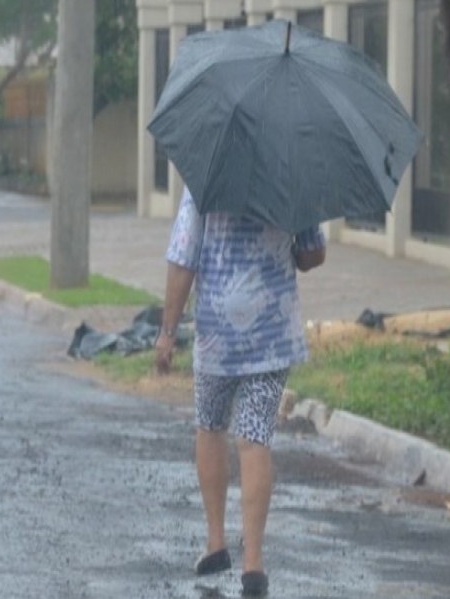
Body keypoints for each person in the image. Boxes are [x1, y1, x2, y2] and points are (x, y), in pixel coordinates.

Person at [155, 187, 326, 596]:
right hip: (272, 336)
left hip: (218, 334)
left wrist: (166, 332)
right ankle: (254, 564)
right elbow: (312, 255)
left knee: (210, 426)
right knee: (254, 440)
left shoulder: (207, 177)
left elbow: (183, 257)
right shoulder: (290, 175)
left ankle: (216, 543)